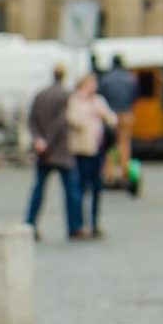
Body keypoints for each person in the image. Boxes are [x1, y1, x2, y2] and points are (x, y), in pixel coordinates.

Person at [24, 65, 85, 241]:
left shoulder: (40, 94)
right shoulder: (65, 95)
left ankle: (30, 224)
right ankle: (74, 227)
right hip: (60, 151)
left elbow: (31, 119)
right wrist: (48, 142)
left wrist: (38, 140)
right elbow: (60, 122)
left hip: (43, 152)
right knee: (71, 191)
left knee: (38, 190)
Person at [66, 73, 116, 238]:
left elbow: (112, 119)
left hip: (98, 149)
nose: (93, 87)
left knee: (97, 188)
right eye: (90, 84)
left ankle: (94, 223)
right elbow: (73, 120)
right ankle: (78, 224)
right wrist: (88, 111)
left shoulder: (99, 100)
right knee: (80, 188)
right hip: (82, 150)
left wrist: (103, 115)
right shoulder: (75, 100)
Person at [97, 55, 138, 182]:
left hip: (110, 114)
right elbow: (135, 95)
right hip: (126, 113)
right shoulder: (130, 78)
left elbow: (101, 96)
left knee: (108, 146)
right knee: (124, 143)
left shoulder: (106, 78)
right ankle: (125, 173)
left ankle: (108, 174)